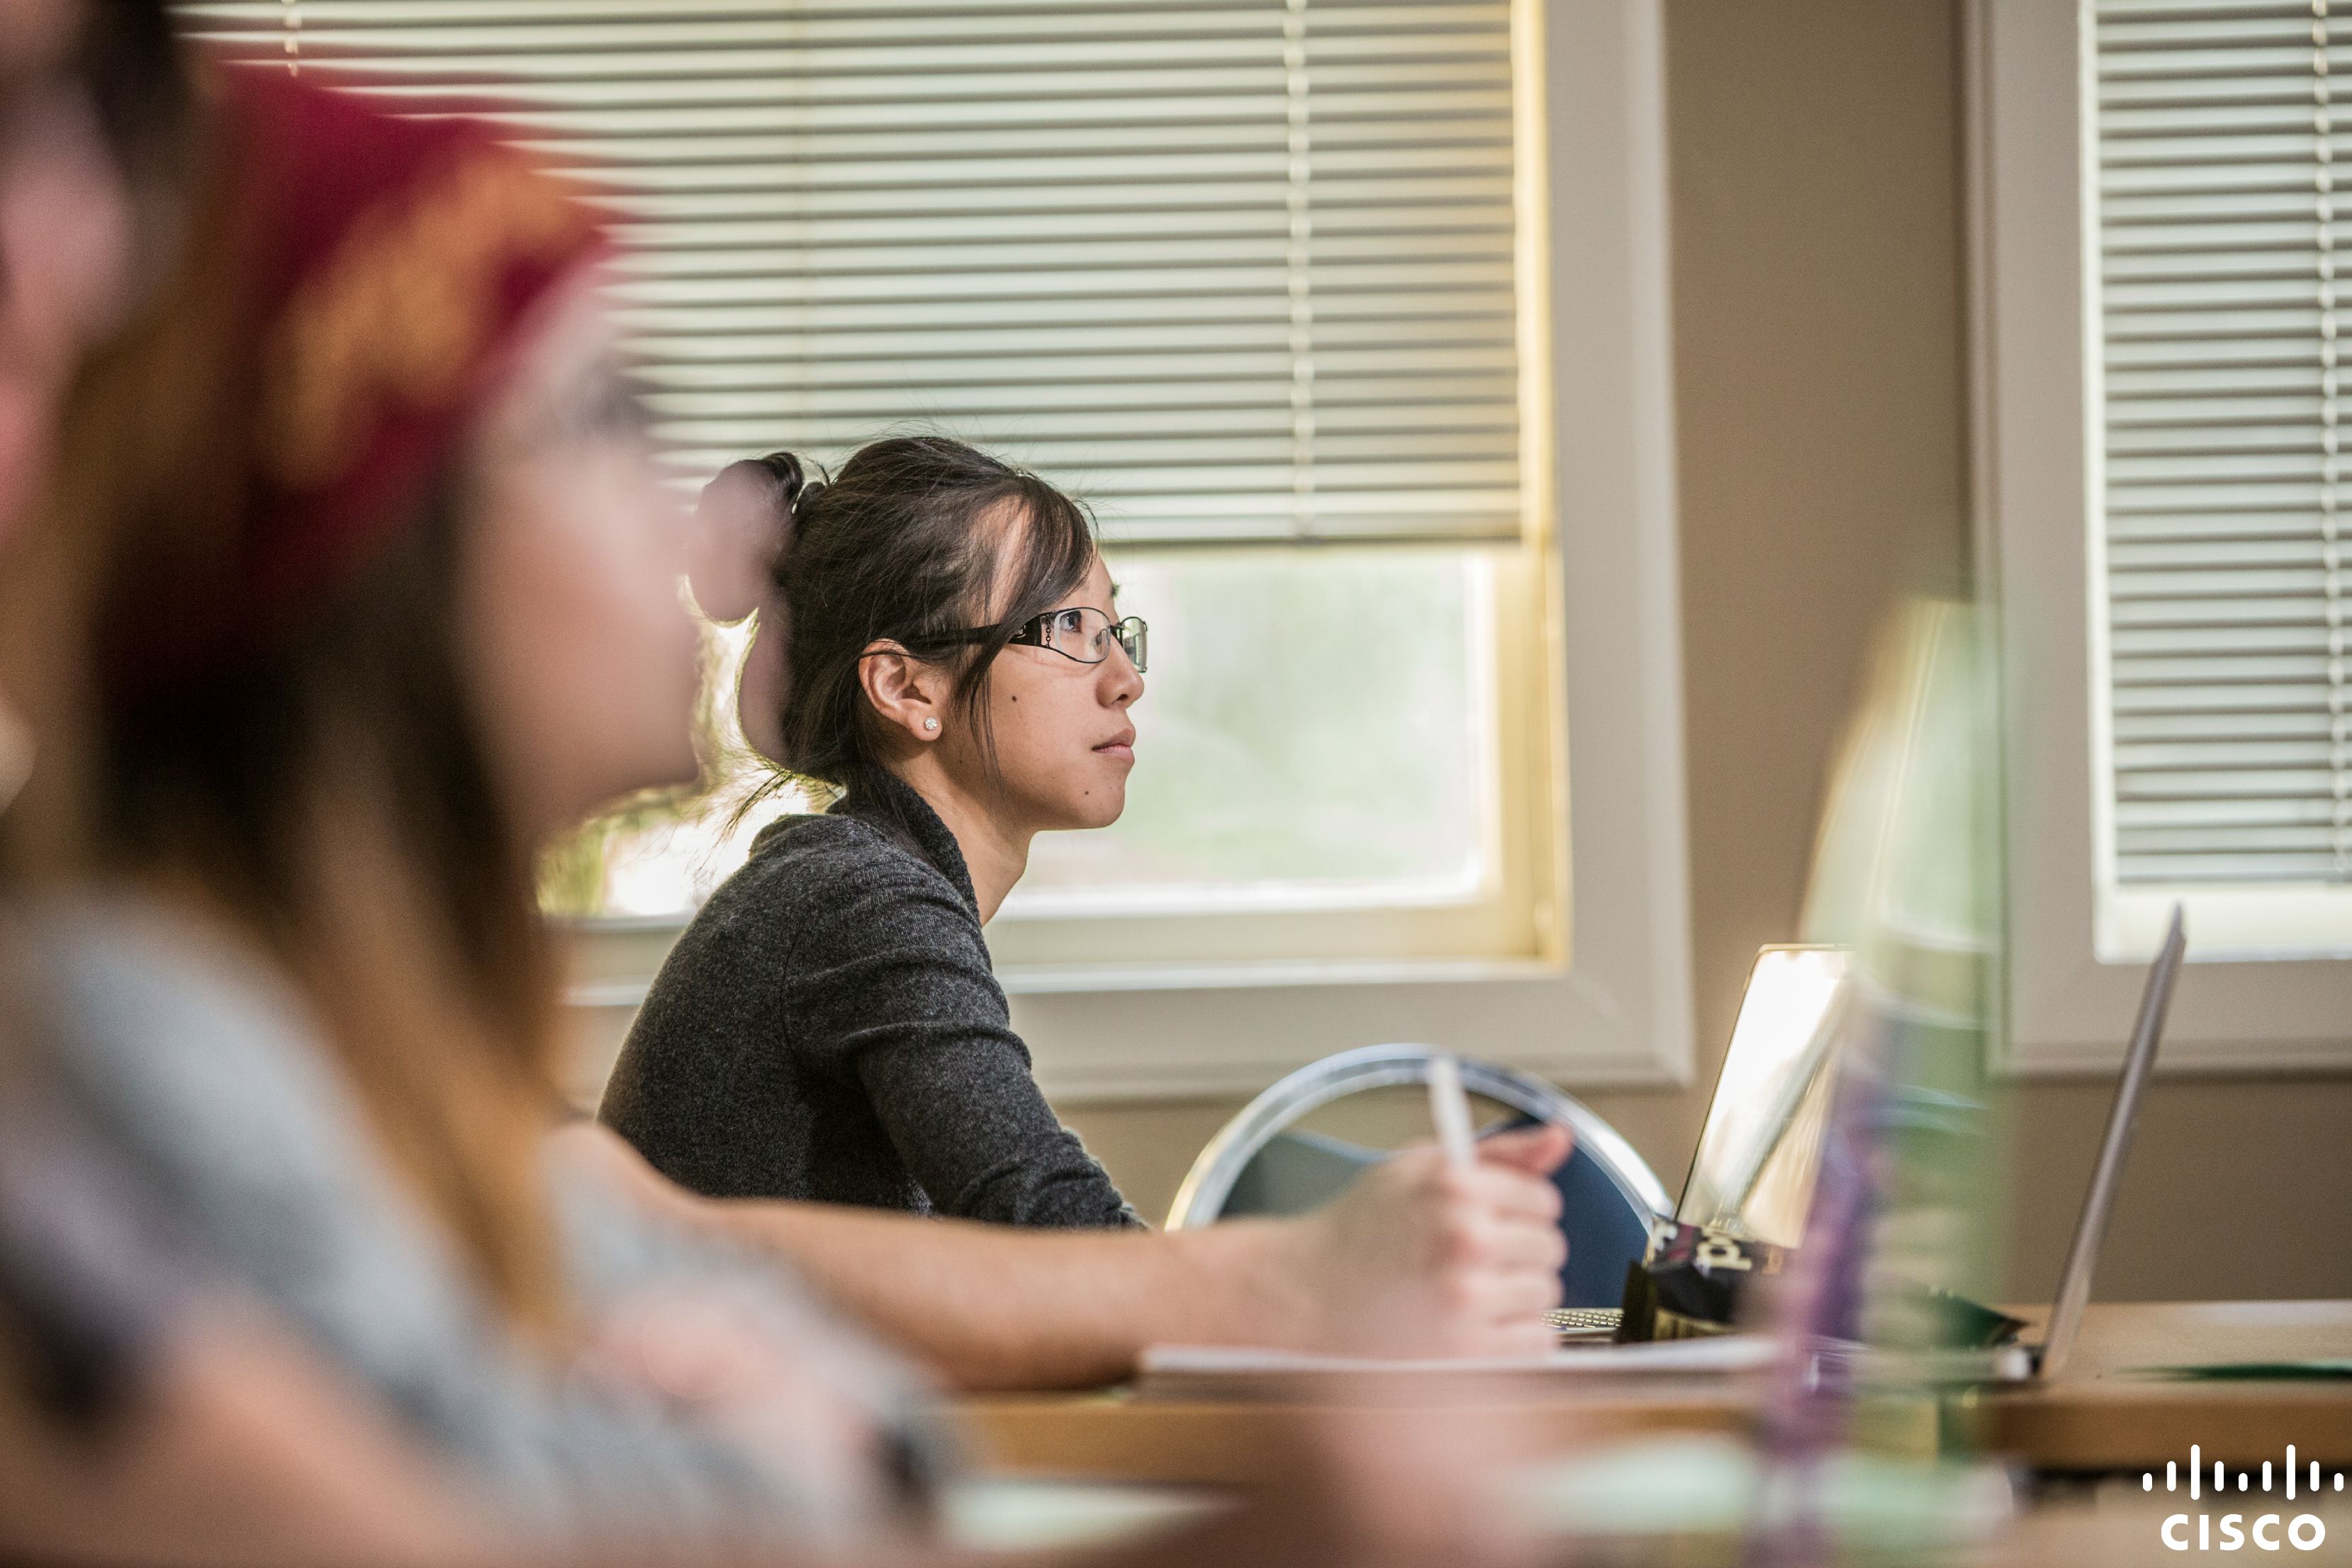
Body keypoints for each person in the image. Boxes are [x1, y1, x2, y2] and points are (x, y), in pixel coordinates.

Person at [3, 47, 1569, 1553]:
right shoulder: (131, 1042)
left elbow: (734, 1336)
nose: (729, 545)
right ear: (379, 554)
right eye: (607, 411)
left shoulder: (399, 1066)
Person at [602, 437, 1148, 1226]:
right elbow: (1049, 1219)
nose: (1125, 679)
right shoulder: (862, 899)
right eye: (1067, 625)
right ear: (904, 686)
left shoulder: (857, 879)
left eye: (1111, 629)